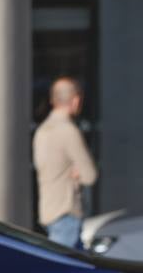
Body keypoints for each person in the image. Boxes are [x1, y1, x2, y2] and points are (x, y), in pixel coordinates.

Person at [33, 77, 97, 249]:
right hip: (66, 211)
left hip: (48, 209)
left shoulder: (42, 130)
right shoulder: (69, 131)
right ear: (75, 100)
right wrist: (75, 171)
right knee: (66, 269)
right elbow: (90, 175)